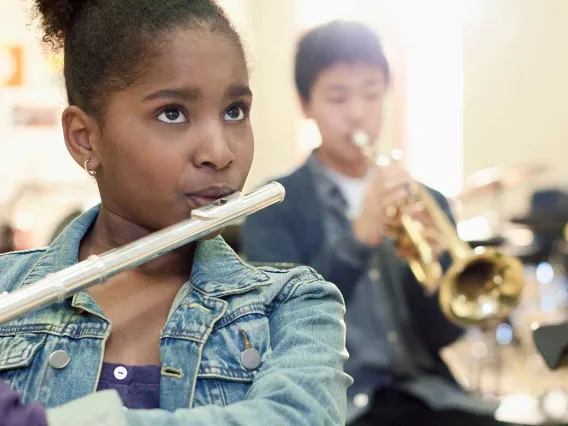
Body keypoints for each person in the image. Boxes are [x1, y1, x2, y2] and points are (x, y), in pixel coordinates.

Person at [0, 2, 351, 425]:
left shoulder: (292, 304)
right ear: (84, 139)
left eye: (234, 111)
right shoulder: (7, 289)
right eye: (173, 113)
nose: (219, 153)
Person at [242, 20, 514, 426]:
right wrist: (360, 237)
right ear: (305, 104)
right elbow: (283, 326)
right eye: (338, 97)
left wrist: (435, 271)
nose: (358, 113)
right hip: (338, 405)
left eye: (371, 94)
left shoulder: (426, 200)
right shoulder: (274, 203)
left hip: (427, 395)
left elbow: (444, 336)